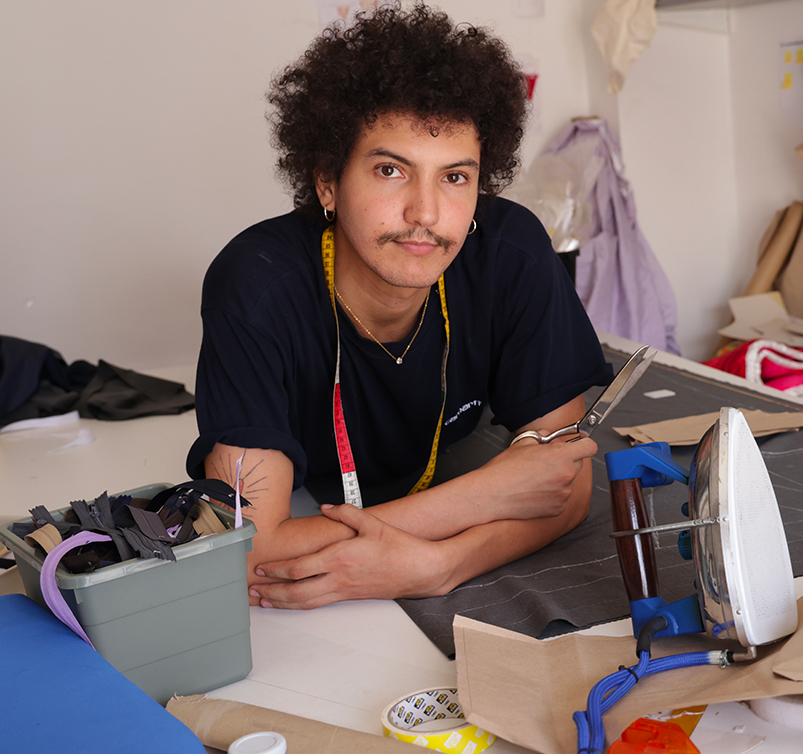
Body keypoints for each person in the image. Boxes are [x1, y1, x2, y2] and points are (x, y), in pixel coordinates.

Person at [188, 4, 611, 610]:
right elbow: (250, 553)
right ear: (328, 182)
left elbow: (563, 488)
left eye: (455, 177)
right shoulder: (255, 285)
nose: (426, 213)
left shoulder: (509, 252)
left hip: (383, 509)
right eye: (391, 170)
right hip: (312, 496)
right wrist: (484, 495)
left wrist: (440, 566)